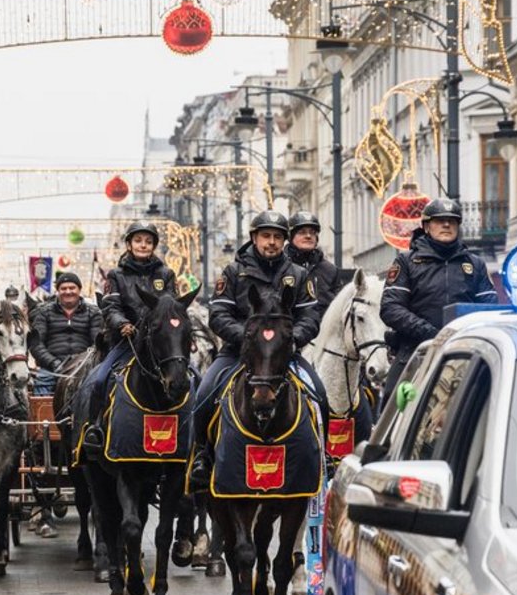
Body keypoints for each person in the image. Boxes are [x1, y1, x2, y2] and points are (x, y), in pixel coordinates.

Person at [188, 209, 322, 488]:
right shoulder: (233, 272)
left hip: (284, 355)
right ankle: (202, 455)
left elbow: (310, 317)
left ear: (284, 241)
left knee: (320, 395)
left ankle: (325, 456)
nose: (272, 242)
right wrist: (249, 340)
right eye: (266, 236)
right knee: (203, 393)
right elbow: (218, 315)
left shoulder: (298, 274)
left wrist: (291, 340)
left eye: (277, 237)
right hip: (237, 353)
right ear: (254, 238)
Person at [380, 197, 497, 401]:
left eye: (452, 221)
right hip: (416, 352)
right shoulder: (406, 261)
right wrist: (430, 333)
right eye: (440, 220)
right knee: (393, 400)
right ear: (426, 226)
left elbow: (491, 309)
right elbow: (390, 308)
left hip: (465, 350)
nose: (446, 225)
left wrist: (464, 334)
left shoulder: (475, 264)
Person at [81, 223, 177, 455]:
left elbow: (172, 306)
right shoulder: (116, 275)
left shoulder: (166, 274)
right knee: (100, 379)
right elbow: (111, 306)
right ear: (129, 244)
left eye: (148, 241)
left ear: (154, 246)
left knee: (192, 377)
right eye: (138, 241)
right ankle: (95, 427)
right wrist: (122, 324)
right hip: (127, 342)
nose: (143, 245)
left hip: (159, 344)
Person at [29, 271, 103, 395]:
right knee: (42, 384)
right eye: (63, 288)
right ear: (58, 291)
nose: (68, 292)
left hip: (84, 365)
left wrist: (84, 361)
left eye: (72, 288)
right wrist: (53, 363)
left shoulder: (93, 313)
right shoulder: (44, 313)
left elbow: (97, 342)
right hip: (51, 367)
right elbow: (36, 344)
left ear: (79, 289)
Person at [286, 211, 341, 314]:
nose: (308, 236)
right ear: (290, 236)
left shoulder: (330, 270)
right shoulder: (282, 266)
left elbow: (339, 307)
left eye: (312, 232)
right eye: (302, 232)